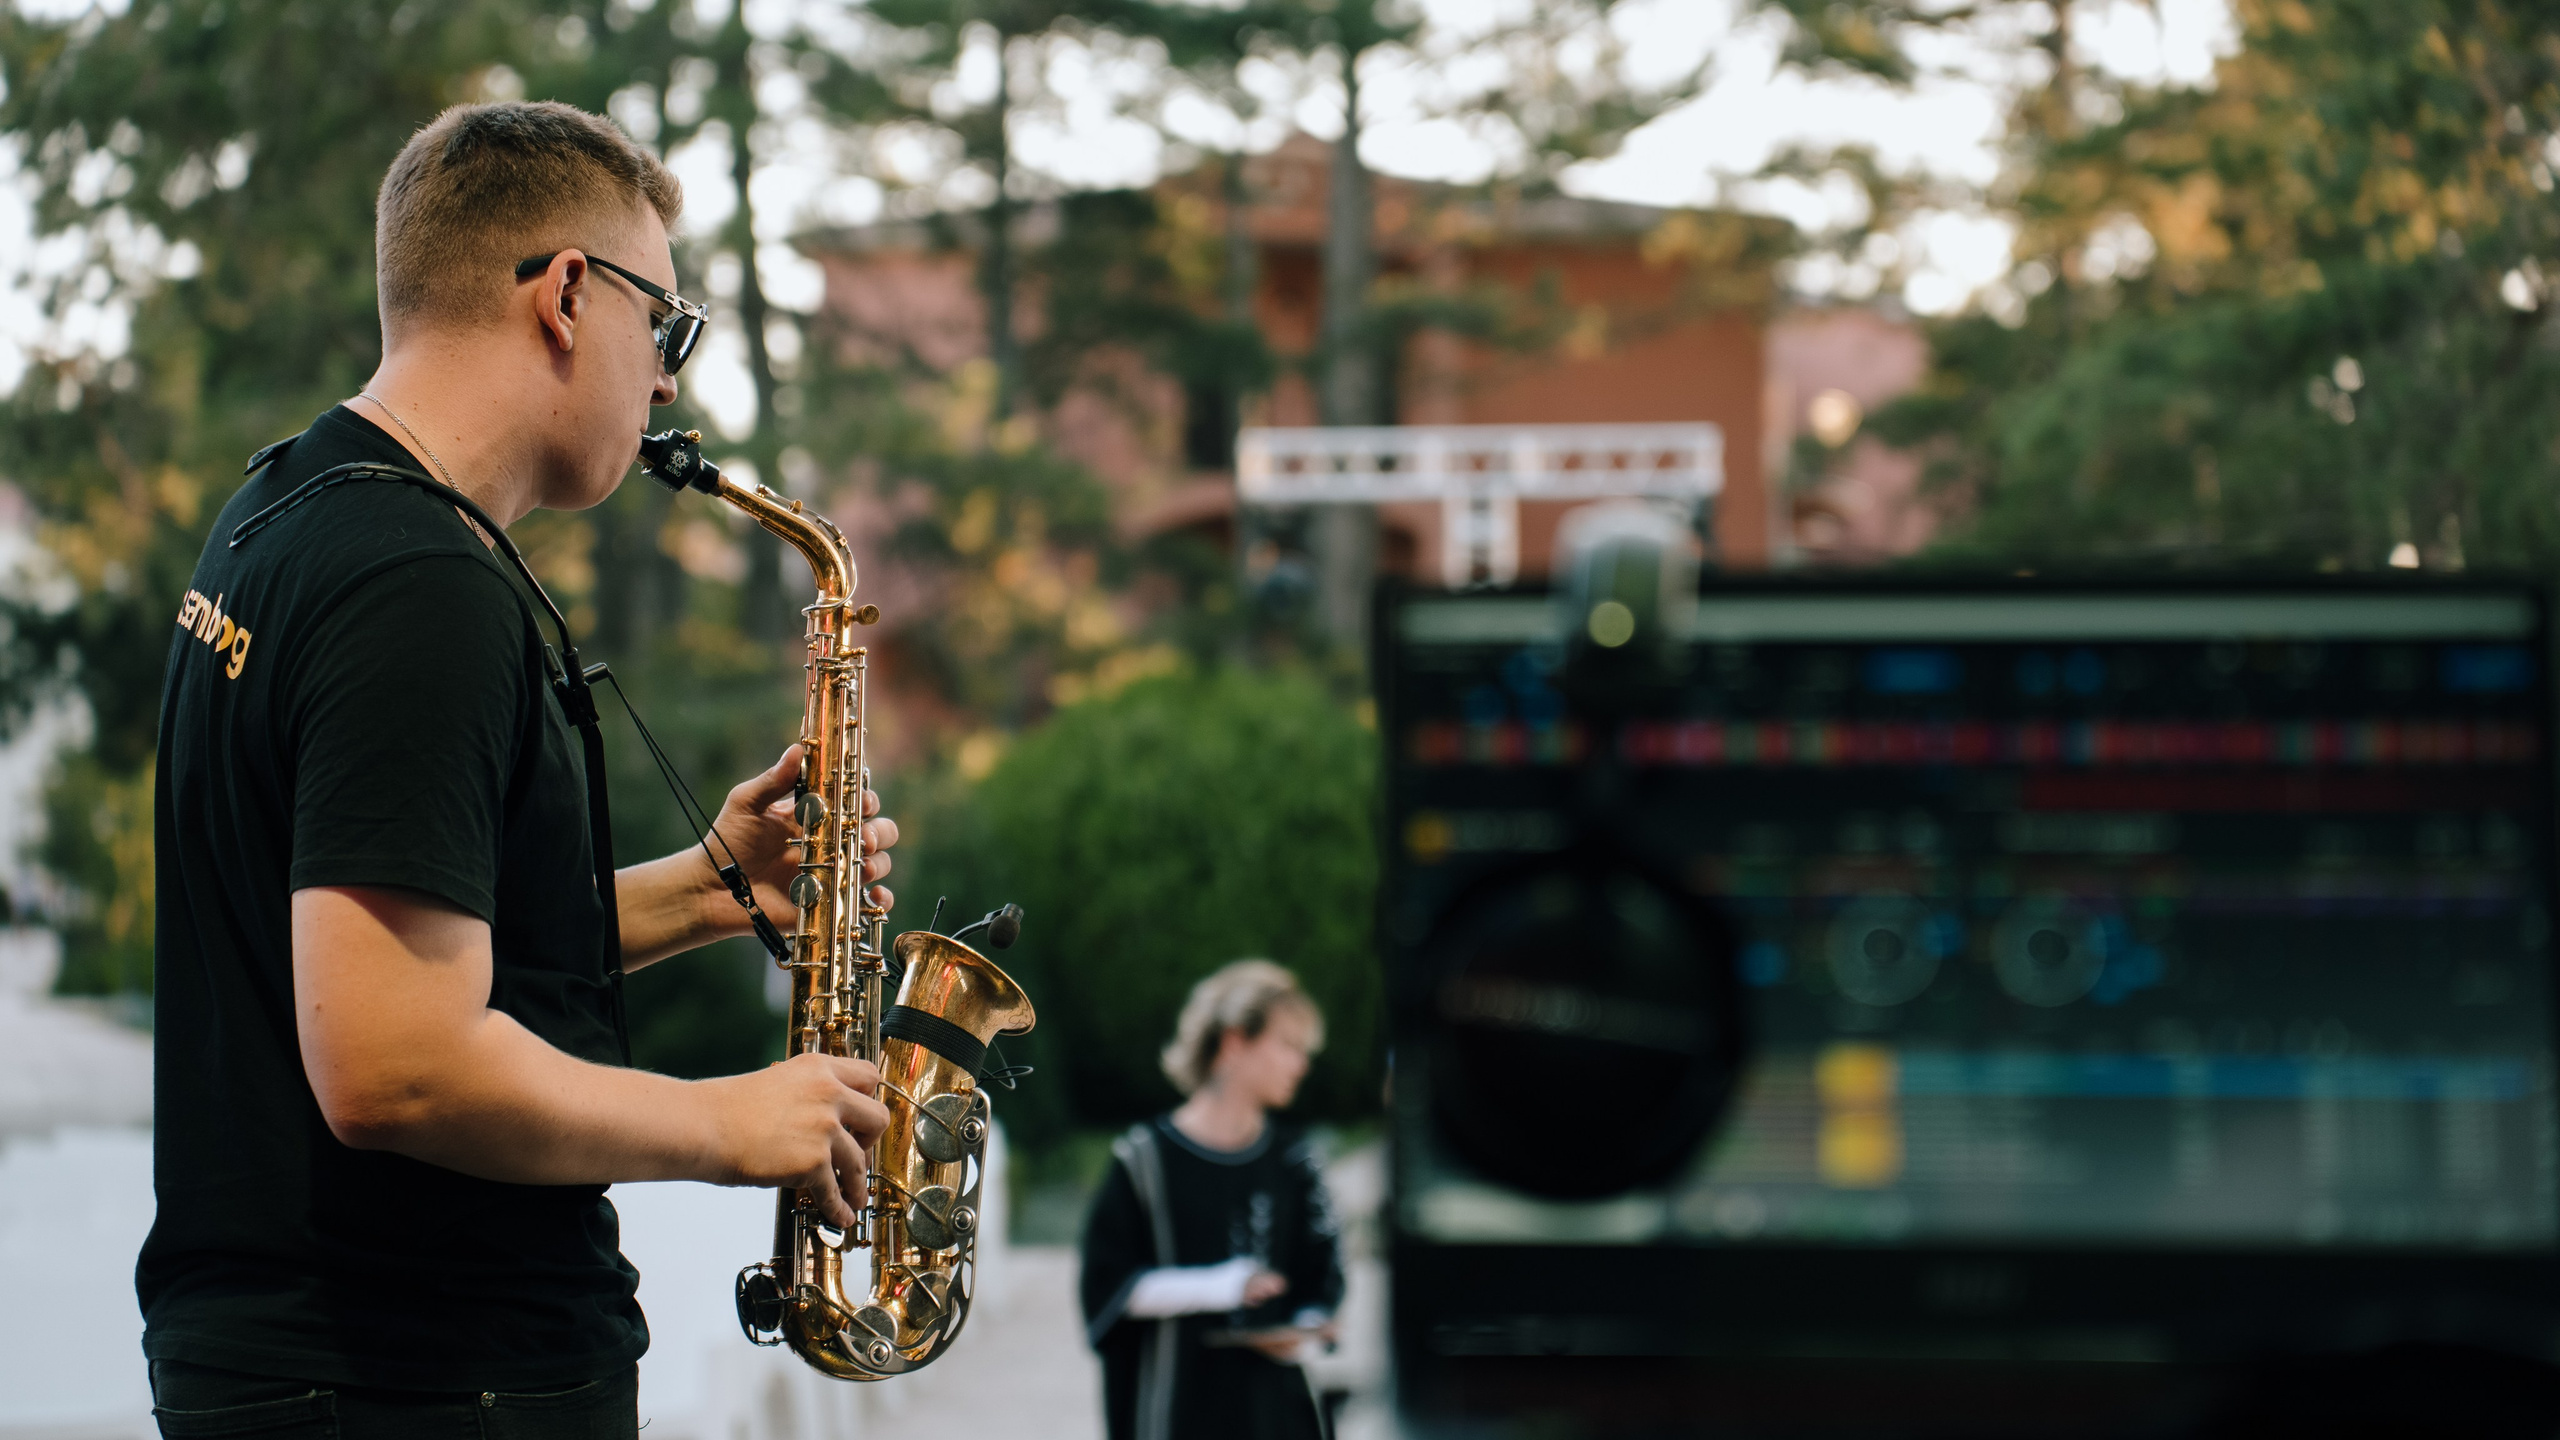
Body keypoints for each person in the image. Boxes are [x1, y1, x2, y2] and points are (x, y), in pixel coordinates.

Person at [140, 101, 899, 1438]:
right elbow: (396, 1064)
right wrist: (732, 1125)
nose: (666, 384)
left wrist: (709, 889)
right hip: (420, 1378)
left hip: (332, 1365)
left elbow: (379, 943)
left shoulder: (286, 506)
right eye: (666, 328)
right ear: (567, 295)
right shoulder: (416, 587)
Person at [1080, 960, 1347, 1440]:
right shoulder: (1144, 1161)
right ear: (1234, 1042)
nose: (1301, 1065)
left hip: (1276, 1417)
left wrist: (1306, 1331)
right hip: (1174, 1412)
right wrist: (1225, 1285)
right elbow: (1107, 1288)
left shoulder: (1295, 1161)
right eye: (1289, 1045)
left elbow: (1321, 1277)